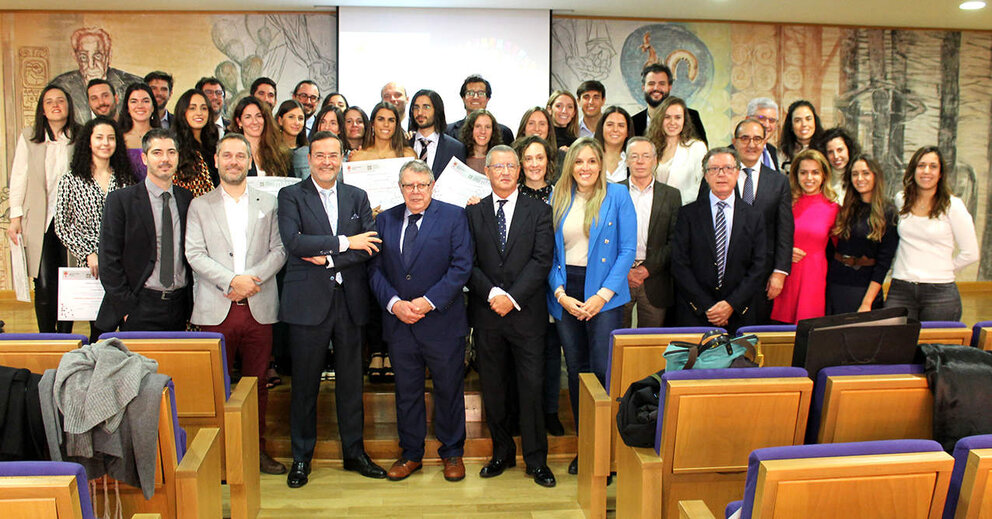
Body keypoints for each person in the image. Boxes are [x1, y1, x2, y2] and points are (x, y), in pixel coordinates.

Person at [277, 131, 386, 487]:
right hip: (307, 304)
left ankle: (354, 453)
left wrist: (325, 259)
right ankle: (301, 458)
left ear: (342, 159)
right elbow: (294, 242)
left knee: (352, 384)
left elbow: (369, 246)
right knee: (305, 385)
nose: (326, 162)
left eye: (333, 155)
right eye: (319, 155)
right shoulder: (291, 195)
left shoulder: (357, 196)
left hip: (350, 303)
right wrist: (343, 243)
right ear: (309, 159)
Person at [185, 133, 288, 476]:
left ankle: (254, 452)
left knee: (256, 385)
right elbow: (194, 253)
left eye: (240, 156)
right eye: (226, 155)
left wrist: (250, 282)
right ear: (216, 160)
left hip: (258, 307)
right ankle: (220, 458)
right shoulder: (199, 205)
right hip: (216, 307)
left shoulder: (269, 203)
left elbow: (280, 250)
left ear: (248, 161)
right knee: (216, 387)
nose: (233, 161)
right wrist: (231, 281)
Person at [368, 160, 473, 483]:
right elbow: (374, 269)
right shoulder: (384, 220)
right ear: (400, 188)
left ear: (432, 187)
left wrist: (427, 303)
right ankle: (411, 453)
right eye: (409, 186)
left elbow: (461, 266)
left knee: (449, 389)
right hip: (400, 323)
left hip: (442, 321)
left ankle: (452, 452)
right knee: (407, 391)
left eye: (422, 185)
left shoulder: (454, 216)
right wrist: (395, 304)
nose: (415, 192)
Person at [466, 145, 556, 487]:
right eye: (497, 166)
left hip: (526, 315)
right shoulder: (473, 214)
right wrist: (492, 294)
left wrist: (512, 297)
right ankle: (501, 453)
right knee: (494, 389)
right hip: (488, 315)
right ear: (487, 172)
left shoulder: (539, 212)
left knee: (531, 388)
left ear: (519, 171)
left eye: (510, 166)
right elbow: (467, 263)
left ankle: (537, 460)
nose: (504, 171)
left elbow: (541, 260)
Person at [548, 137, 636, 475]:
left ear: (601, 165)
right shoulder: (558, 196)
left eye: (592, 161)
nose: (585, 168)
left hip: (606, 295)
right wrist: (559, 294)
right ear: (570, 165)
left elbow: (627, 250)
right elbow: (550, 254)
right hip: (566, 292)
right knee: (577, 372)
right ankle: (587, 447)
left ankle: (608, 453)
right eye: (579, 161)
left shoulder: (617, 196)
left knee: (602, 372)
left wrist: (602, 296)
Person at [95, 129, 193, 333]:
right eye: (157, 152)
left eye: (171, 152)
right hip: (140, 304)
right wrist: (126, 307)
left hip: (179, 306)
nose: (165, 159)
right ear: (144, 158)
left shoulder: (187, 199)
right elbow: (108, 260)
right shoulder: (121, 200)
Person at [7, 84, 80, 333]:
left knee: (68, 280)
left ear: (69, 106)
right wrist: (15, 215)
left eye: (60, 100)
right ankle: (47, 336)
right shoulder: (29, 136)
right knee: (44, 281)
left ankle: (66, 335)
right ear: (43, 109)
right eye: (49, 101)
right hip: (40, 218)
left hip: (72, 220)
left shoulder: (80, 136)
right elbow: (19, 177)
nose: (55, 105)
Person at [54, 116, 134, 342]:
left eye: (111, 138)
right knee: (98, 329)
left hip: (122, 266)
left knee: (126, 328)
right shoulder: (70, 180)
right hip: (90, 268)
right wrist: (89, 252)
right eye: (99, 137)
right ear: (88, 142)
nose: (105, 143)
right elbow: (62, 225)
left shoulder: (126, 179)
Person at [670, 147, 767, 332]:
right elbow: (679, 264)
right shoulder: (688, 214)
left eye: (728, 168)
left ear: (738, 172)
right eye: (714, 169)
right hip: (697, 313)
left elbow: (759, 266)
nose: (721, 174)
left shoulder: (754, 216)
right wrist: (707, 306)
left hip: (739, 313)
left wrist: (731, 304)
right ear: (705, 175)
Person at [885, 146, 979, 321]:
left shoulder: (953, 206)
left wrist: (944, 269)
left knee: (935, 348)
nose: (926, 171)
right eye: (921, 165)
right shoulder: (901, 199)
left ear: (941, 173)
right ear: (913, 170)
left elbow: (971, 253)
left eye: (933, 166)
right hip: (901, 289)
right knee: (896, 345)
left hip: (940, 294)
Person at [512, 135, 564, 436]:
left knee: (550, 349)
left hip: (555, 281)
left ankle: (550, 411)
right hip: (522, 284)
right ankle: (522, 414)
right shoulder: (510, 195)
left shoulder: (562, 195)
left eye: (539, 158)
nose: (534, 164)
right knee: (522, 353)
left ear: (548, 162)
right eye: (528, 159)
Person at [727, 119, 793, 324]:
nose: (751, 144)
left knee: (754, 336)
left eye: (757, 139)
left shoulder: (779, 181)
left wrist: (780, 273)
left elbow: (784, 230)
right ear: (734, 142)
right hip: (725, 273)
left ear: (765, 142)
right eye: (745, 138)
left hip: (763, 275)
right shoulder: (718, 176)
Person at [770, 149, 839, 323]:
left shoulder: (834, 208)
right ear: (795, 175)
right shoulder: (784, 202)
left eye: (815, 172)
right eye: (803, 172)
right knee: (778, 334)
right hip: (783, 276)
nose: (809, 178)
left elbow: (840, 248)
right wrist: (783, 252)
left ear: (824, 175)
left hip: (813, 278)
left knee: (807, 332)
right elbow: (767, 237)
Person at [619, 137, 681, 328]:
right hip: (619, 278)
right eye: (634, 156)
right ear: (627, 161)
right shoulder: (614, 191)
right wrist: (626, 271)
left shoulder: (671, 195)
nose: (640, 161)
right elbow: (607, 238)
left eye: (646, 156)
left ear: (655, 160)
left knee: (650, 342)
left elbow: (674, 240)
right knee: (615, 340)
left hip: (655, 278)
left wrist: (646, 270)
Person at [826, 155, 899, 314]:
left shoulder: (888, 213)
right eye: (855, 174)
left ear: (875, 175)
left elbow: (883, 264)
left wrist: (867, 302)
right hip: (836, 283)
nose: (860, 178)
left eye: (865, 173)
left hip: (863, 288)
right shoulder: (846, 208)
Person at [51, 27, 141, 124]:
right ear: (75, 57)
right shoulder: (61, 86)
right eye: (83, 57)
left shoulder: (133, 84)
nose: (91, 64)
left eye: (97, 56)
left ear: (108, 56)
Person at [648, 96, 707, 205]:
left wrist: (673, 202)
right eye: (667, 117)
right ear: (660, 119)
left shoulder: (696, 147)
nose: (672, 122)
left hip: (684, 210)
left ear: (684, 120)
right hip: (655, 213)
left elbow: (703, 184)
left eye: (678, 117)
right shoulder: (651, 147)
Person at [631, 63, 708, 144]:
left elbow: (702, 153)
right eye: (651, 83)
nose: (656, 88)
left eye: (662, 83)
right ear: (643, 87)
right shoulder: (633, 122)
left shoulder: (691, 116)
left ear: (669, 87)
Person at [408, 89, 466, 177]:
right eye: (416, 107)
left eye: (426, 107)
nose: (420, 112)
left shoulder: (455, 148)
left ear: (437, 110)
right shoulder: (404, 144)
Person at [229, 96, 292, 177]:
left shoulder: (280, 153)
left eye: (259, 116)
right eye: (248, 117)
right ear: (239, 122)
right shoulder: (231, 153)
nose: (254, 122)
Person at [173, 89, 219, 197]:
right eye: (192, 108)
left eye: (203, 108)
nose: (199, 113)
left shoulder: (213, 145)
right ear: (183, 112)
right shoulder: (175, 147)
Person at [446, 75, 514, 144]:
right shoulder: (448, 131)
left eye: (481, 93)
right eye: (470, 93)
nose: (475, 97)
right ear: (463, 98)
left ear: (487, 99)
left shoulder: (504, 133)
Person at [119, 82, 161, 181]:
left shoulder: (164, 137)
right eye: (134, 101)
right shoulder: (118, 138)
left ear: (153, 107)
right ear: (127, 108)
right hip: (125, 193)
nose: (140, 106)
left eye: (145, 101)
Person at [349, 102, 416, 162]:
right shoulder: (358, 158)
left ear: (396, 125)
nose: (386, 124)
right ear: (372, 124)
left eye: (391, 120)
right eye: (380, 119)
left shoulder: (408, 155)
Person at [778, 100, 824, 172]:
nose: (804, 124)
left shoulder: (826, 149)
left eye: (808, 119)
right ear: (791, 126)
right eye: (798, 120)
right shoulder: (782, 153)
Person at [815, 127, 860, 199]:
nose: (836, 156)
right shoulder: (821, 179)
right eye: (830, 152)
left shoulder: (859, 177)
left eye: (840, 150)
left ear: (849, 149)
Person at [593, 106, 634, 182]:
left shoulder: (633, 160)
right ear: (602, 128)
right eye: (610, 124)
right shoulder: (589, 156)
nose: (615, 129)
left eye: (621, 125)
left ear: (628, 132)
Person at [459, 109, 502, 174]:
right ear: (470, 130)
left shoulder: (500, 159)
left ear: (493, 131)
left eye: (487, 127)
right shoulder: (460, 158)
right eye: (478, 126)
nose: (483, 131)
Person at [746, 97, 781, 170]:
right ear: (748, 119)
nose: (767, 125)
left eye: (772, 120)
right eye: (761, 118)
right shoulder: (732, 153)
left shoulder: (773, 151)